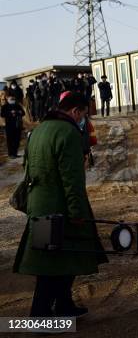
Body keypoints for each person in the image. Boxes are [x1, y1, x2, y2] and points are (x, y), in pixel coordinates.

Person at [13, 92, 108, 317]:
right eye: (84, 114)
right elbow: (72, 178)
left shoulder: (38, 130)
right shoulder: (69, 133)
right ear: (75, 111)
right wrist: (76, 211)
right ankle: (41, 317)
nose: (83, 119)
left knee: (60, 259)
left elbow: (27, 168)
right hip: (61, 207)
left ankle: (64, 305)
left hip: (39, 205)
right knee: (54, 264)